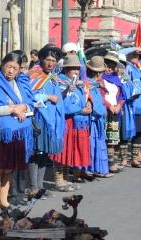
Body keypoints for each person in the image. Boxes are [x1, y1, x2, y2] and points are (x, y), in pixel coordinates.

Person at [0, 52, 34, 215]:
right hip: (2, 132)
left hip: (18, 131)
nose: (11, 71)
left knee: (9, 169)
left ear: (20, 70)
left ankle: (4, 200)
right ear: (2, 66)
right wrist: (14, 109)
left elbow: (29, 103)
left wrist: (24, 107)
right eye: (8, 66)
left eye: (15, 68)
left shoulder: (20, 82)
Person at [28, 44, 65, 195]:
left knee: (44, 154)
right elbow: (30, 96)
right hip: (37, 119)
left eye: (53, 61)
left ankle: (40, 186)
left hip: (50, 120)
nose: (50, 63)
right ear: (41, 59)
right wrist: (49, 97)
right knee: (35, 153)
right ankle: (33, 187)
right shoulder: (33, 75)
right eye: (48, 59)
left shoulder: (52, 78)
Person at [50, 55, 91, 188]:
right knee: (61, 151)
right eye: (72, 69)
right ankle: (58, 179)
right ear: (66, 70)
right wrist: (80, 111)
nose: (76, 72)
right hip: (66, 122)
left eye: (77, 69)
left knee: (69, 151)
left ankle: (66, 178)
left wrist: (88, 105)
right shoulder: (61, 83)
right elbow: (63, 104)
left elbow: (81, 100)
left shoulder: (77, 84)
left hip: (77, 123)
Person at [85, 56, 111, 178]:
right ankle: (90, 169)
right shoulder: (88, 85)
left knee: (98, 144)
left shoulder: (95, 84)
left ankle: (99, 169)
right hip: (92, 120)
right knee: (92, 145)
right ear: (97, 72)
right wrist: (101, 111)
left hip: (98, 120)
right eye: (100, 72)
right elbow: (92, 103)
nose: (102, 74)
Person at [102, 52, 126, 173]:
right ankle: (103, 164)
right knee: (103, 137)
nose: (109, 69)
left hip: (115, 111)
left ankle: (111, 163)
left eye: (112, 67)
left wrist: (119, 105)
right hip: (104, 111)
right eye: (107, 66)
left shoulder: (116, 79)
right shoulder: (100, 78)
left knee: (112, 138)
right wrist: (109, 105)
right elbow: (98, 95)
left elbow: (122, 95)